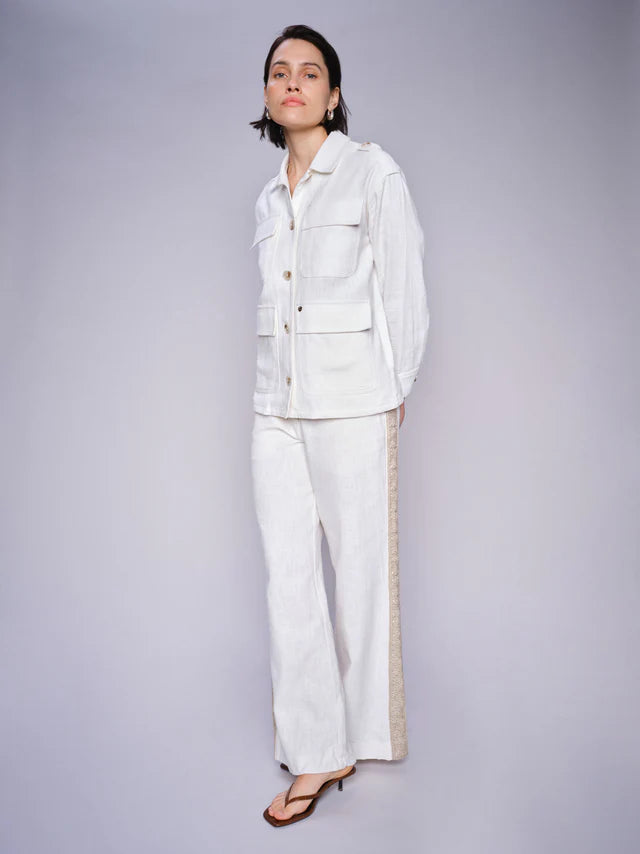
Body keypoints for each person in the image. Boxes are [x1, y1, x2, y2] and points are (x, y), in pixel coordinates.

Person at [248, 24, 429, 827]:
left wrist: (396, 387)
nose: (293, 82)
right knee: (287, 579)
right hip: (275, 408)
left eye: (310, 71)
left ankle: (361, 736)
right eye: (279, 72)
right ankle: (316, 749)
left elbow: (404, 288)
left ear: (333, 94)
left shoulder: (370, 172)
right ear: (266, 96)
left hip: (353, 403)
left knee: (360, 576)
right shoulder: (267, 198)